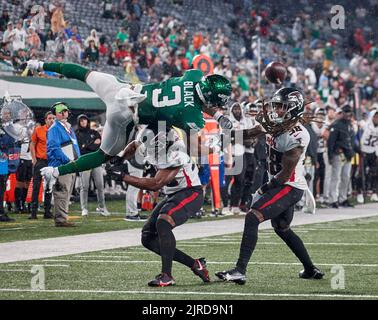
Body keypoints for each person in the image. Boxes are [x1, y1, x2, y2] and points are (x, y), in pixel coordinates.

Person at [25, 60, 233, 185]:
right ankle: (56, 171)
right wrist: (218, 146)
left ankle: (40, 64)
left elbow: (196, 97)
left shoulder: (195, 76)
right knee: (102, 156)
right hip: (126, 114)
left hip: (123, 89)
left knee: (84, 73)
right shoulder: (192, 117)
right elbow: (194, 148)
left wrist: (218, 116)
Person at [215, 88, 324, 284]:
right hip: (283, 183)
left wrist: (263, 189)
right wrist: (225, 137)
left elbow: (283, 175)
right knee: (282, 228)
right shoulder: (274, 123)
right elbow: (248, 133)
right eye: (276, 106)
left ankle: (240, 270)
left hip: (289, 185)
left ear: (293, 109)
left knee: (253, 217)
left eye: (282, 107)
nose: (276, 111)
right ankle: (310, 269)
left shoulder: (298, 136)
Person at [108, 125, 209, 287]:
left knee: (163, 222)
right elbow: (134, 145)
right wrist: (119, 159)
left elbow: (156, 184)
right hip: (173, 194)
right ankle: (195, 264)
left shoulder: (177, 153)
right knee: (147, 237)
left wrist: (123, 176)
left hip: (191, 192)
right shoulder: (150, 142)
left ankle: (167, 275)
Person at [47, 102, 80, 227]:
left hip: (70, 164)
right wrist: (67, 160)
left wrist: (77, 160)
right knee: (61, 192)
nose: (64, 112)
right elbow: (54, 148)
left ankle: (63, 218)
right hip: (62, 165)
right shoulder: (54, 128)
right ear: (56, 114)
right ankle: (60, 220)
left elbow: (74, 146)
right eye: (61, 111)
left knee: (66, 192)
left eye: (65, 110)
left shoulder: (68, 127)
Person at [75, 114, 109, 217]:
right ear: (79, 122)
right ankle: (84, 208)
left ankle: (102, 207)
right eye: (81, 121)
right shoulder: (77, 134)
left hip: (96, 161)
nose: (83, 122)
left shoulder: (94, 132)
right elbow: (80, 149)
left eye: (84, 120)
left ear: (87, 121)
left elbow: (98, 145)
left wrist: (87, 146)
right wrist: (92, 145)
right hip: (84, 162)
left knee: (100, 186)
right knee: (84, 186)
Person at [327, 104, 357, 208]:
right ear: (342, 113)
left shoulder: (350, 125)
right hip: (338, 154)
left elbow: (352, 141)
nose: (348, 114)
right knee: (336, 177)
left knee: (346, 177)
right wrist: (330, 155)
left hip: (348, 155)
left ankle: (343, 198)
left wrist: (356, 150)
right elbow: (331, 141)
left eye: (349, 112)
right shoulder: (336, 124)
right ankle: (333, 200)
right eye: (346, 112)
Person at [29, 111, 54, 219]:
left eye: (53, 118)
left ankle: (47, 212)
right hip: (40, 161)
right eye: (49, 118)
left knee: (49, 187)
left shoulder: (56, 131)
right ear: (45, 120)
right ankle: (33, 212)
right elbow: (32, 143)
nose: (51, 120)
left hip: (51, 162)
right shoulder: (38, 130)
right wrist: (34, 159)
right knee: (36, 186)